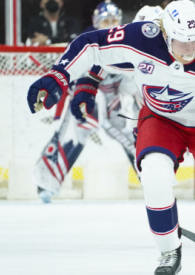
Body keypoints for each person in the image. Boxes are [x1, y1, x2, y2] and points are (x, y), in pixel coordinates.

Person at [26, 1, 195, 275]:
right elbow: (94, 47)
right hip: (161, 118)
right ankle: (169, 251)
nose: (189, 51)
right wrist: (60, 76)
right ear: (162, 33)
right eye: (181, 42)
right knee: (153, 175)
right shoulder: (143, 37)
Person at [33, 3, 162, 204]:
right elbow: (72, 69)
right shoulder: (87, 40)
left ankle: (149, 180)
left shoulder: (124, 39)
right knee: (76, 134)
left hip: (113, 95)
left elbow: (130, 78)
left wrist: (129, 95)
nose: (110, 25)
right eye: (105, 21)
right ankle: (46, 182)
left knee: (130, 132)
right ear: (96, 22)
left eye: (113, 21)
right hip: (87, 93)